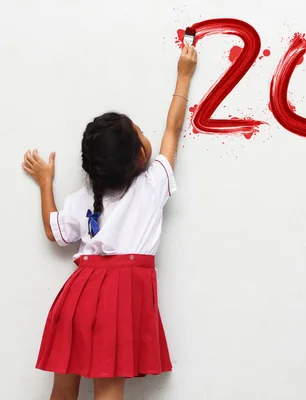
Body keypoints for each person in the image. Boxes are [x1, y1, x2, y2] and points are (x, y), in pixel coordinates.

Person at [22, 43, 197, 400]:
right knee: (109, 388)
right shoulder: (153, 185)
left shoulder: (85, 197)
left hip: (78, 296)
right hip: (120, 300)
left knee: (64, 389)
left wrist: (45, 183)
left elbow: (54, 231)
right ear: (140, 155)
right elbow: (173, 128)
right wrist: (183, 76)